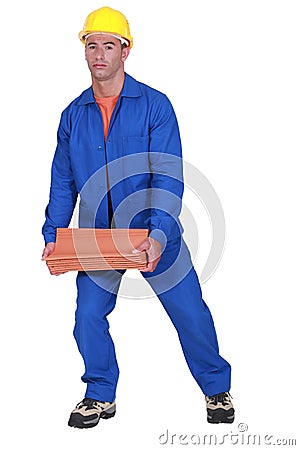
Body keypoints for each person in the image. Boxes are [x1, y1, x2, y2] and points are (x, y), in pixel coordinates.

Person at [41, 6, 235, 428]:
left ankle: (216, 387)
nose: (99, 54)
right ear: (84, 51)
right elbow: (62, 182)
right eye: (92, 45)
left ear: (124, 52)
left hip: (152, 229)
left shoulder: (154, 106)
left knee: (190, 312)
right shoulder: (73, 116)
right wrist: (55, 235)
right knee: (87, 316)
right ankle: (99, 394)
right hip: (98, 236)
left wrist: (161, 235)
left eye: (108, 45)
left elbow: (168, 174)